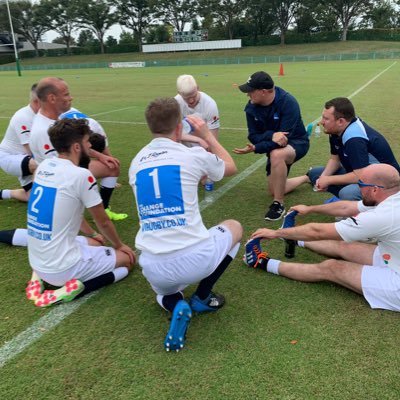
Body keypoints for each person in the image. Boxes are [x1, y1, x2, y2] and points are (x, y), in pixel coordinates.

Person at [129, 97, 242, 351]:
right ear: (179, 127)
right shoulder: (193, 155)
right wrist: (208, 137)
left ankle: (176, 304)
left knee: (164, 294)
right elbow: (231, 166)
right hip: (196, 258)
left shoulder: (136, 163)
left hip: (152, 265)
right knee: (234, 226)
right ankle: (202, 296)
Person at [246, 163, 400, 312]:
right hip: (395, 256)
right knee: (346, 246)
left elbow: (318, 232)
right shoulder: (389, 196)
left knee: (331, 267)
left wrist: (275, 233)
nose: (358, 187)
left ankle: (261, 262)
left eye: (361, 183)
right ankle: (294, 239)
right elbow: (346, 207)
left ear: (374, 190)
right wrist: (309, 209)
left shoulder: (383, 216)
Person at [26, 118, 135, 307]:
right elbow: (103, 222)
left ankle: (38, 277)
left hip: (37, 259)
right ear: (77, 147)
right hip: (62, 268)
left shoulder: (43, 166)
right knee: (128, 261)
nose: (90, 145)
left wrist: (92, 234)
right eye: (87, 142)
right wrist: (119, 245)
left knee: (94, 242)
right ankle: (67, 291)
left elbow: (72, 213)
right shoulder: (81, 175)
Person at [29, 77, 127, 220]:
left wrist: (101, 156)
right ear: (52, 98)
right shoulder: (43, 130)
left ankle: (100, 208)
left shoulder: (54, 119)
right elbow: (59, 171)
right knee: (111, 169)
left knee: (111, 164)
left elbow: (74, 145)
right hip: (58, 180)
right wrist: (84, 176)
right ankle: (98, 212)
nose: (71, 97)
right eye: (66, 94)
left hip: (64, 171)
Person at [285, 97, 400, 200]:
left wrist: (329, 180)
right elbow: (335, 159)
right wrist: (324, 177)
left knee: (348, 194)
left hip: (386, 184)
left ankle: (368, 210)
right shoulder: (335, 130)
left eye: (326, 119)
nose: (322, 122)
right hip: (361, 174)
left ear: (340, 121)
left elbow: (361, 176)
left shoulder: (354, 138)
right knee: (316, 173)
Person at [233, 71, 309, 221]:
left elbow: (282, 141)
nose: (247, 95)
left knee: (277, 154)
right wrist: (270, 135)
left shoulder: (288, 102)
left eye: (250, 91)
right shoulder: (251, 107)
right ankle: (307, 177)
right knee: (273, 189)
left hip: (297, 143)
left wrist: (257, 148)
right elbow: (253, 136)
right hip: (273, 145)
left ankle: (278, 204)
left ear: (263, 92)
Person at [0, 83, 40, 202]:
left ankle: (3, 194)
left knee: (33, 197)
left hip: (26, 159)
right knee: (40, 163)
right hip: (9, 157)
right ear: (36, 101)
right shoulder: (22, 117)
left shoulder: (43, 116)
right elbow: (32, 151)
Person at [175, 74, 220, 139]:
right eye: (186, 98)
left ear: (198, 88)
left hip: (204, 146)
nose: (191, 101)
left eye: (194, 96)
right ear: (179, 93)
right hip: (183, 148)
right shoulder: (175, 104)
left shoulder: (210, 105)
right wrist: (197, 140)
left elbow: (213, 137)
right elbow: (173, 135)